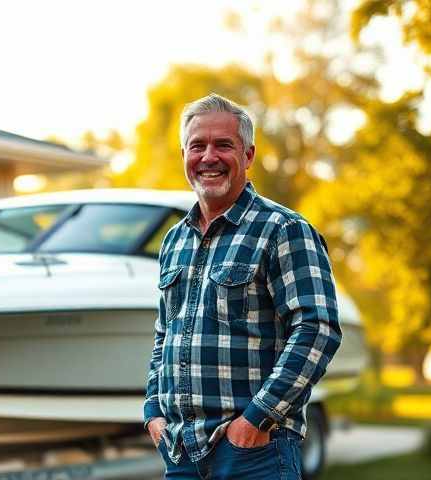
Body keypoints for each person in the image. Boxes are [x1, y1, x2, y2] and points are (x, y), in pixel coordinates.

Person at [143, 93, 342, 479]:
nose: (208, 157)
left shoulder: (283, 229)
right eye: (197, 145)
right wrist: (153, 411)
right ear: (184, 154)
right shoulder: (174, 241)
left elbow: (317, 330)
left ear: (248, 156)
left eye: (223, 145)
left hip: (254, 454)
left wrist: (256, 419)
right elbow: (164, 335)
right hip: (181, 454)